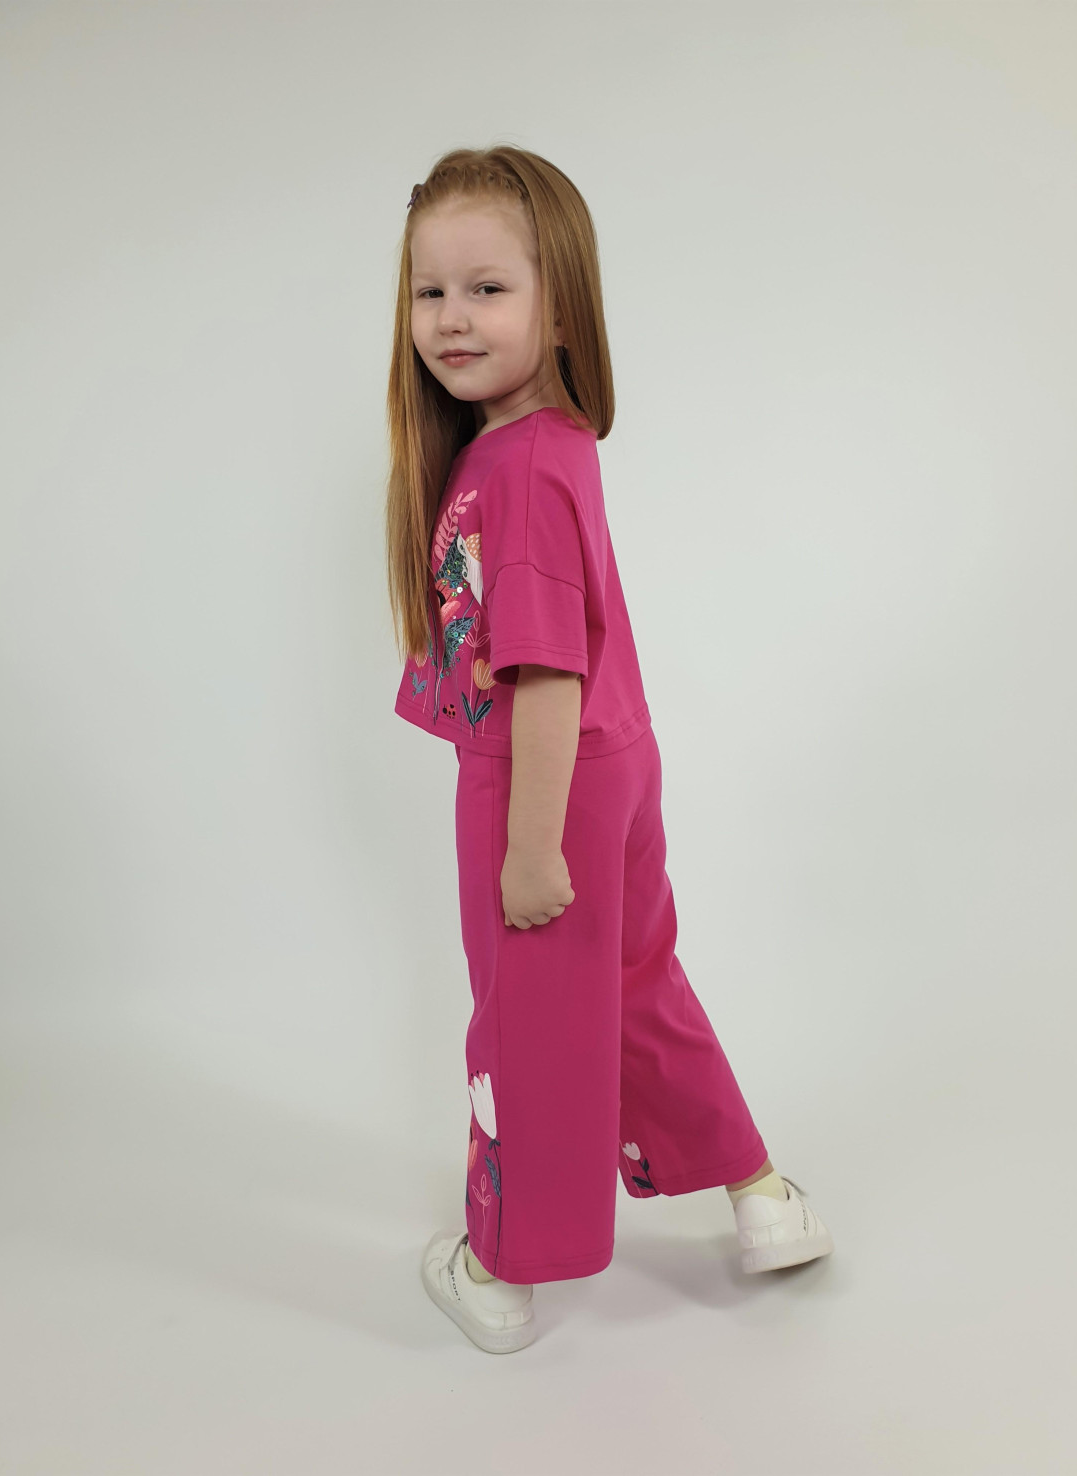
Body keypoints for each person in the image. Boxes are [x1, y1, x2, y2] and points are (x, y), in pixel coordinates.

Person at [384, 145, 833, 1355]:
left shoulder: (519, 470)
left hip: (543, 786)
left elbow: (545, 671)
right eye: (430, 291)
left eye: (487, 288)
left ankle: (502, 1272)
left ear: (561, 308)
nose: (452, 318)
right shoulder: (551, 440)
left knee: (525, 1028)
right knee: (637, 988)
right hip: (614, 765)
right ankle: (762, 1196)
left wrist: (530, 848)